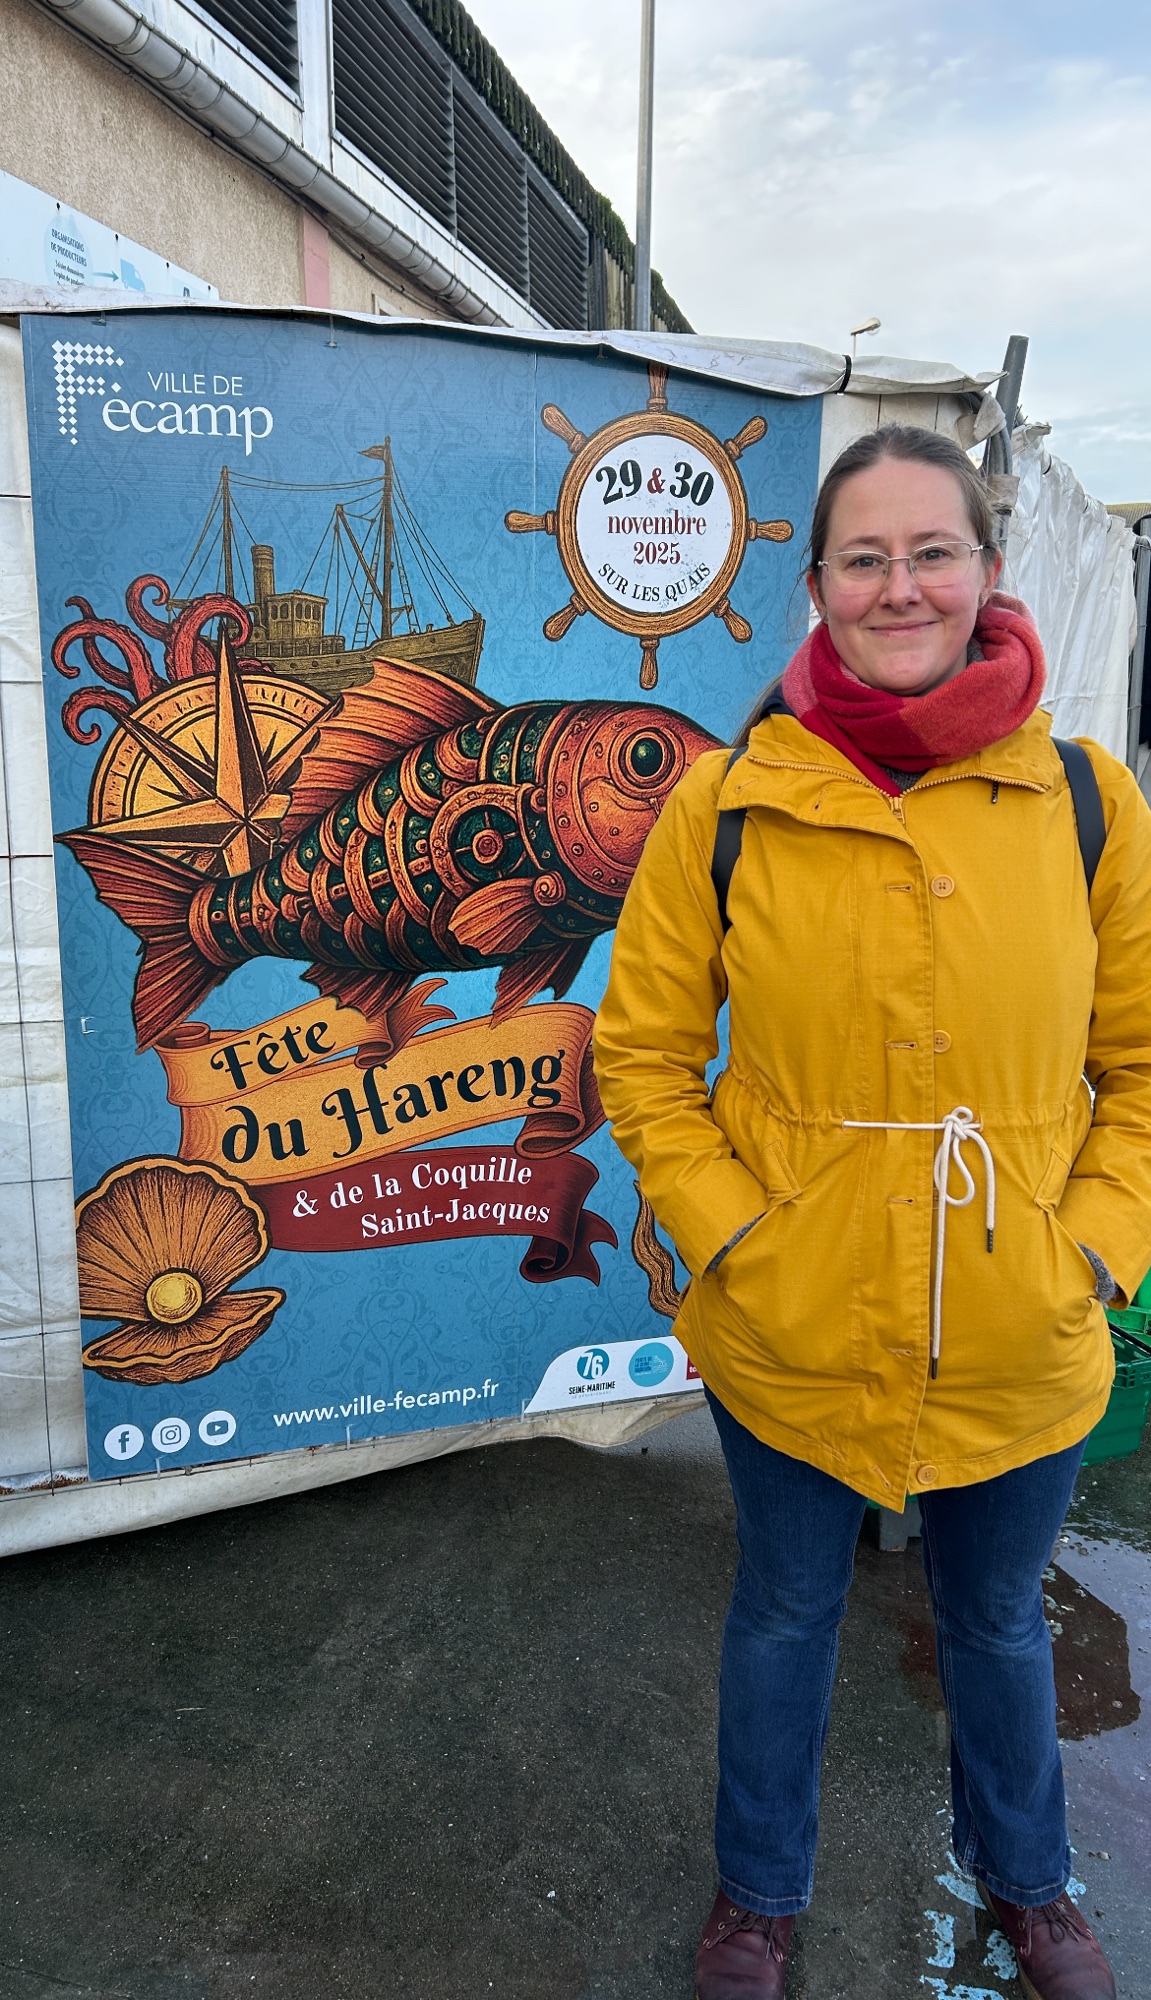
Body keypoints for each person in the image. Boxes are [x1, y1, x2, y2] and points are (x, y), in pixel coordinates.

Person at [593, 425, 1151, 2000]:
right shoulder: (729, 803)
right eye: (865, 557)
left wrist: (1093, 1248)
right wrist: (737, 1234)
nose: (900, 586)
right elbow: (642, 1056)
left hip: (1019, 1313)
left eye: (932, 552)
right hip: (792, 1311)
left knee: (999, 1620)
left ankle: (1030, 1885)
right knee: (785, 1609)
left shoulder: (1086, 801)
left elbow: (1142, 1067)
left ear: (988, 570)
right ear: (820, 586)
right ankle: (758, 1899)